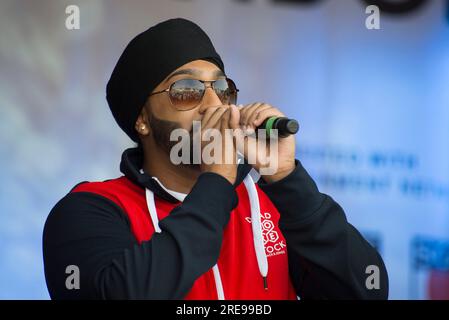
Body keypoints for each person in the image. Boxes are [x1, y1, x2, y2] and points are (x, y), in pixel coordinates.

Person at [43, 18, 388, 300]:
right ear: (142, 119)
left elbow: (366, 292)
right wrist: (217, 181)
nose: (213, 106)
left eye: (222, 90)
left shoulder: (271, 201)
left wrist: (287, 179)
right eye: (186, 90)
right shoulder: (90, 209)